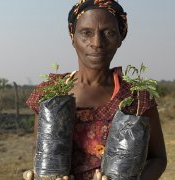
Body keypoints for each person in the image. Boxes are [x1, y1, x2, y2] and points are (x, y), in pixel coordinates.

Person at [24, 0, 167, 179]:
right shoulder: (51, 93)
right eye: (86, 33)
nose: (97, 43)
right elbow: (40, 151)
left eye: (108, 33)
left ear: (120, 38)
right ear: (72, 37)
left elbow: (158, 158)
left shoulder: (137, 98)